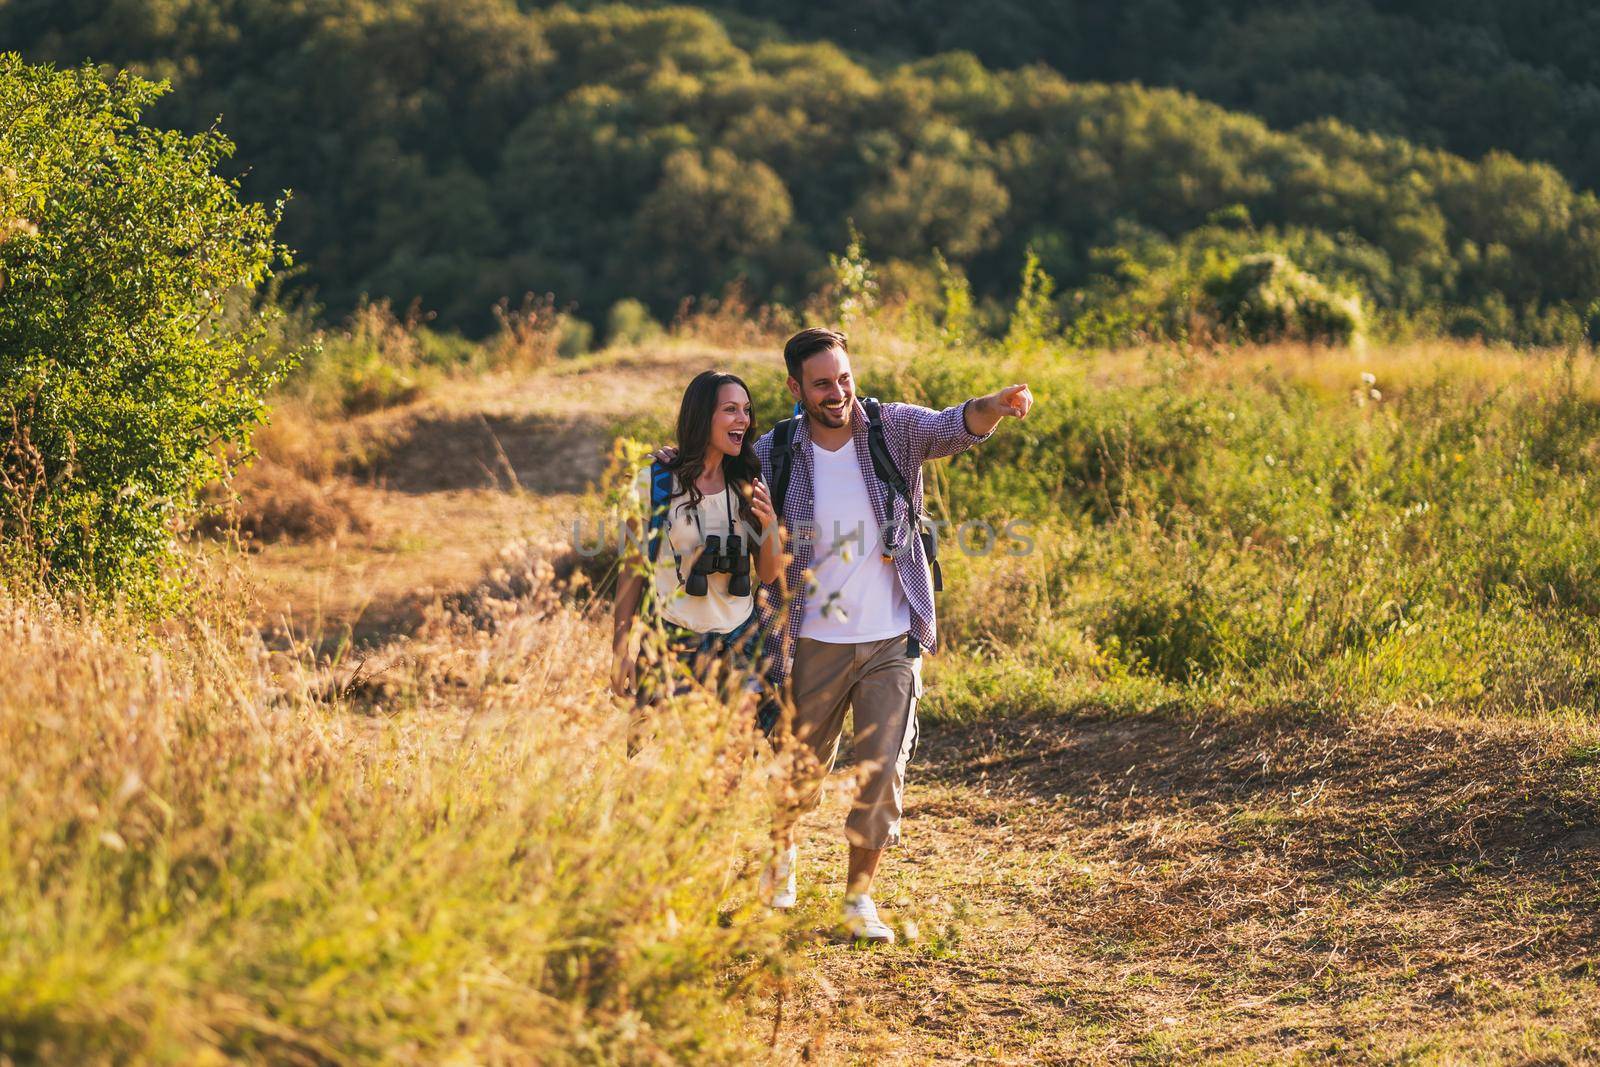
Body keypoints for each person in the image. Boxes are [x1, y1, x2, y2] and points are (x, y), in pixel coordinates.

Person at [755, 327, 1033, 942]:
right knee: (799, 768)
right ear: (796, 387)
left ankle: (858, 900)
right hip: (810, 639)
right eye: (822, 383)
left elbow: (955, 425)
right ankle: (783, 853)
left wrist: (996, 404)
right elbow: (715, 467)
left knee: (882, 772)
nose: (837, 392)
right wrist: (674, 461)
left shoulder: (891, 430)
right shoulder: (775, 451)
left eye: (844, 378)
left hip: (892, 636)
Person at [612, 371, 785, 738]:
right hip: (674, 641)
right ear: (702, 416)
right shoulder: (654, 482)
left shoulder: (748, 484)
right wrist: (620, 649)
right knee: (665, 772)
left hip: (738, 640)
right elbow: (632, 570)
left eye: (746, 410)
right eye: (730, 410)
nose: (744, 419)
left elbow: (769, 575)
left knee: (727, 770)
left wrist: (769, 525)